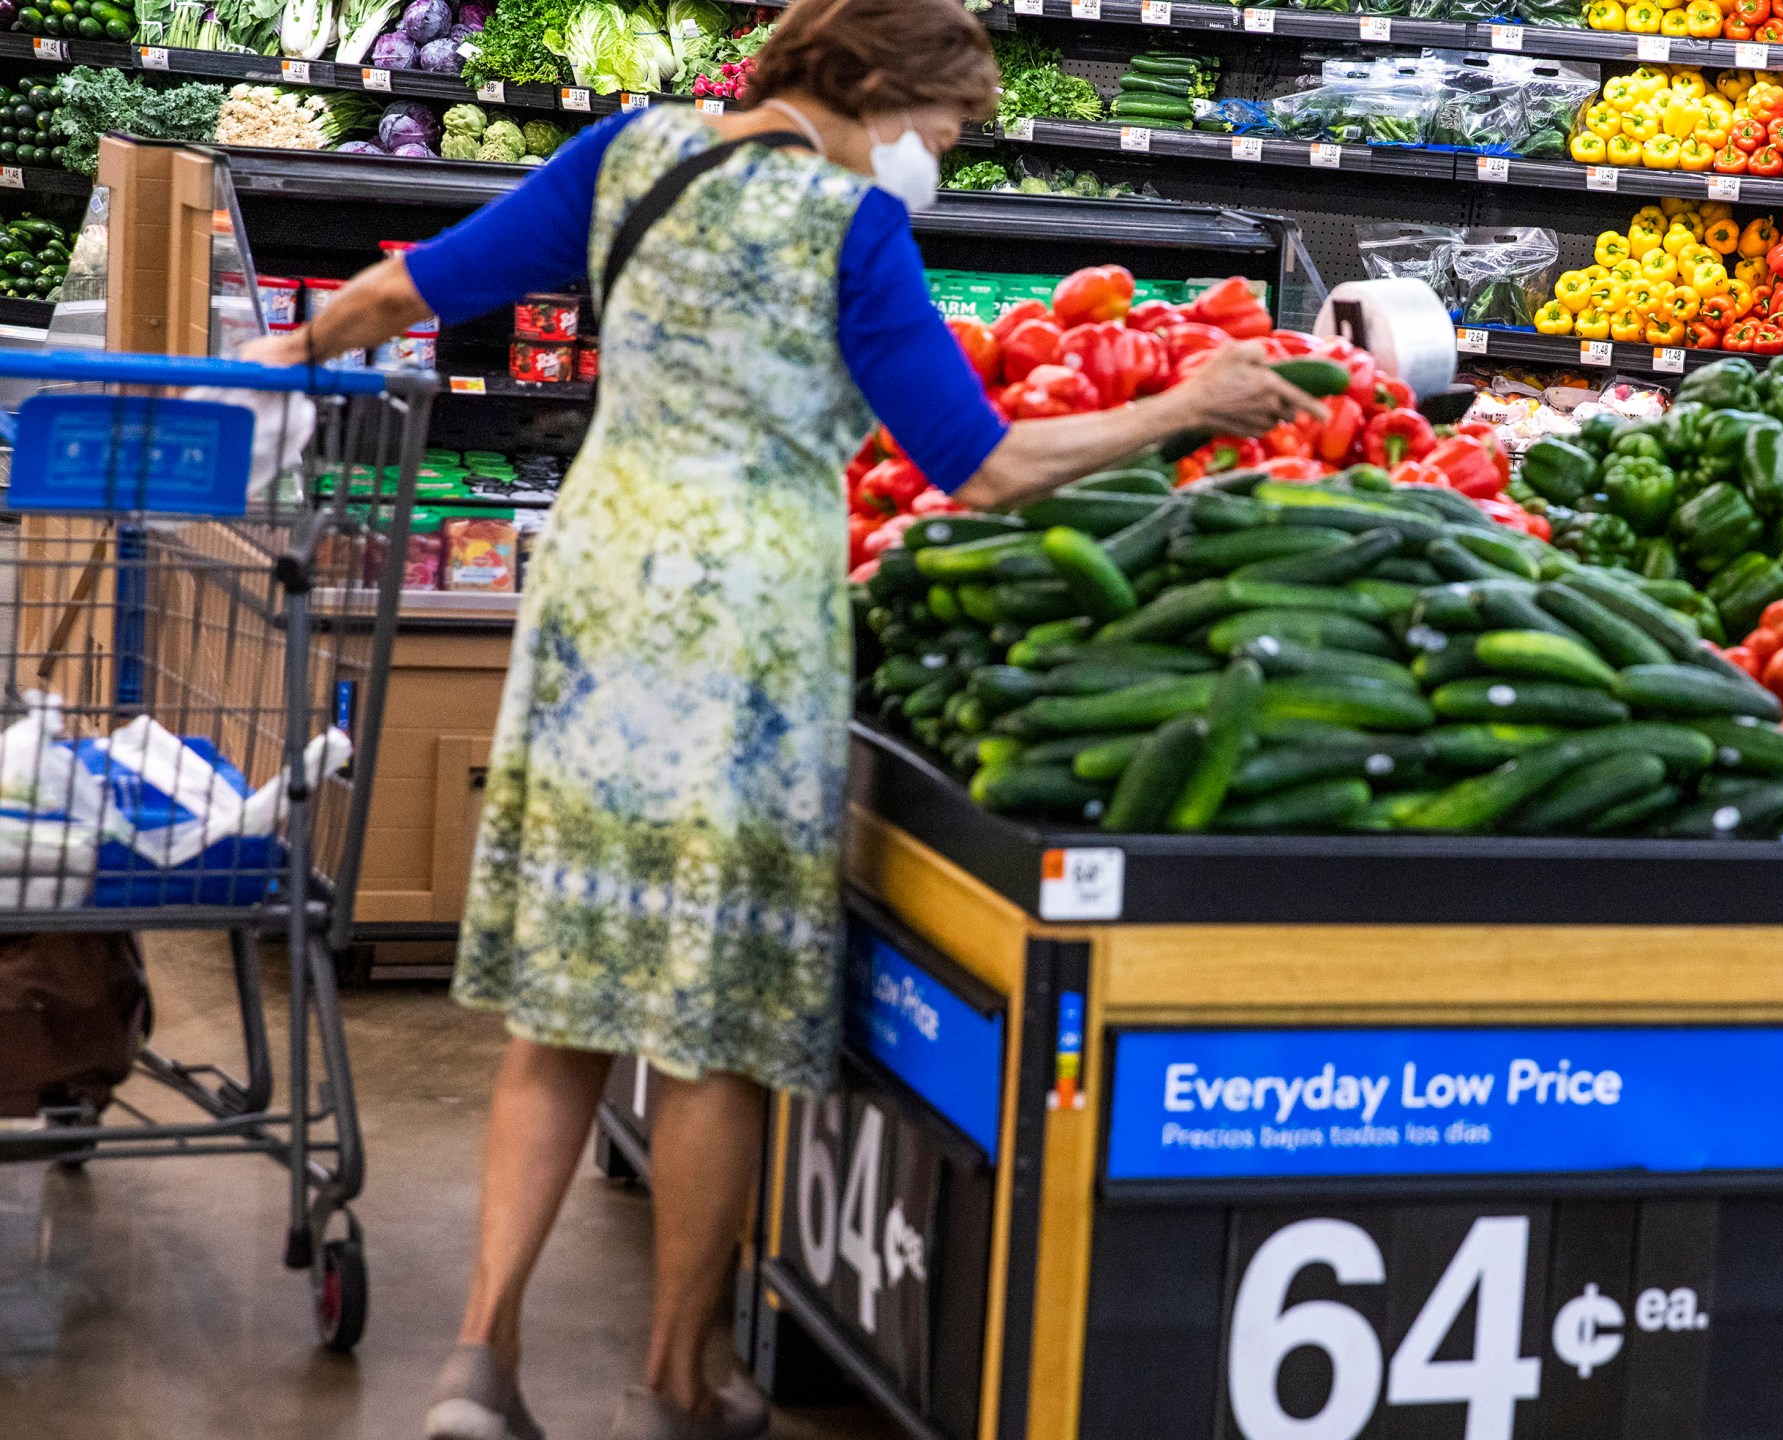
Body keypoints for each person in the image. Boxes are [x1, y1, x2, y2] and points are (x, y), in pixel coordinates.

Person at [240, 0, 1318, 1435]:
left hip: (593, 606)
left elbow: (407, 292)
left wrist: (269, 367)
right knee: (712, 1025)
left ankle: (477, 1365)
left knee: (561, 1007)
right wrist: (1182, 406)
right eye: (943, 124)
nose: (939, 151)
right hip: (745, 637)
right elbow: (981, 467)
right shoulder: (850, 228)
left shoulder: (633, 155)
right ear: (876, 90)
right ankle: (680, 1374)